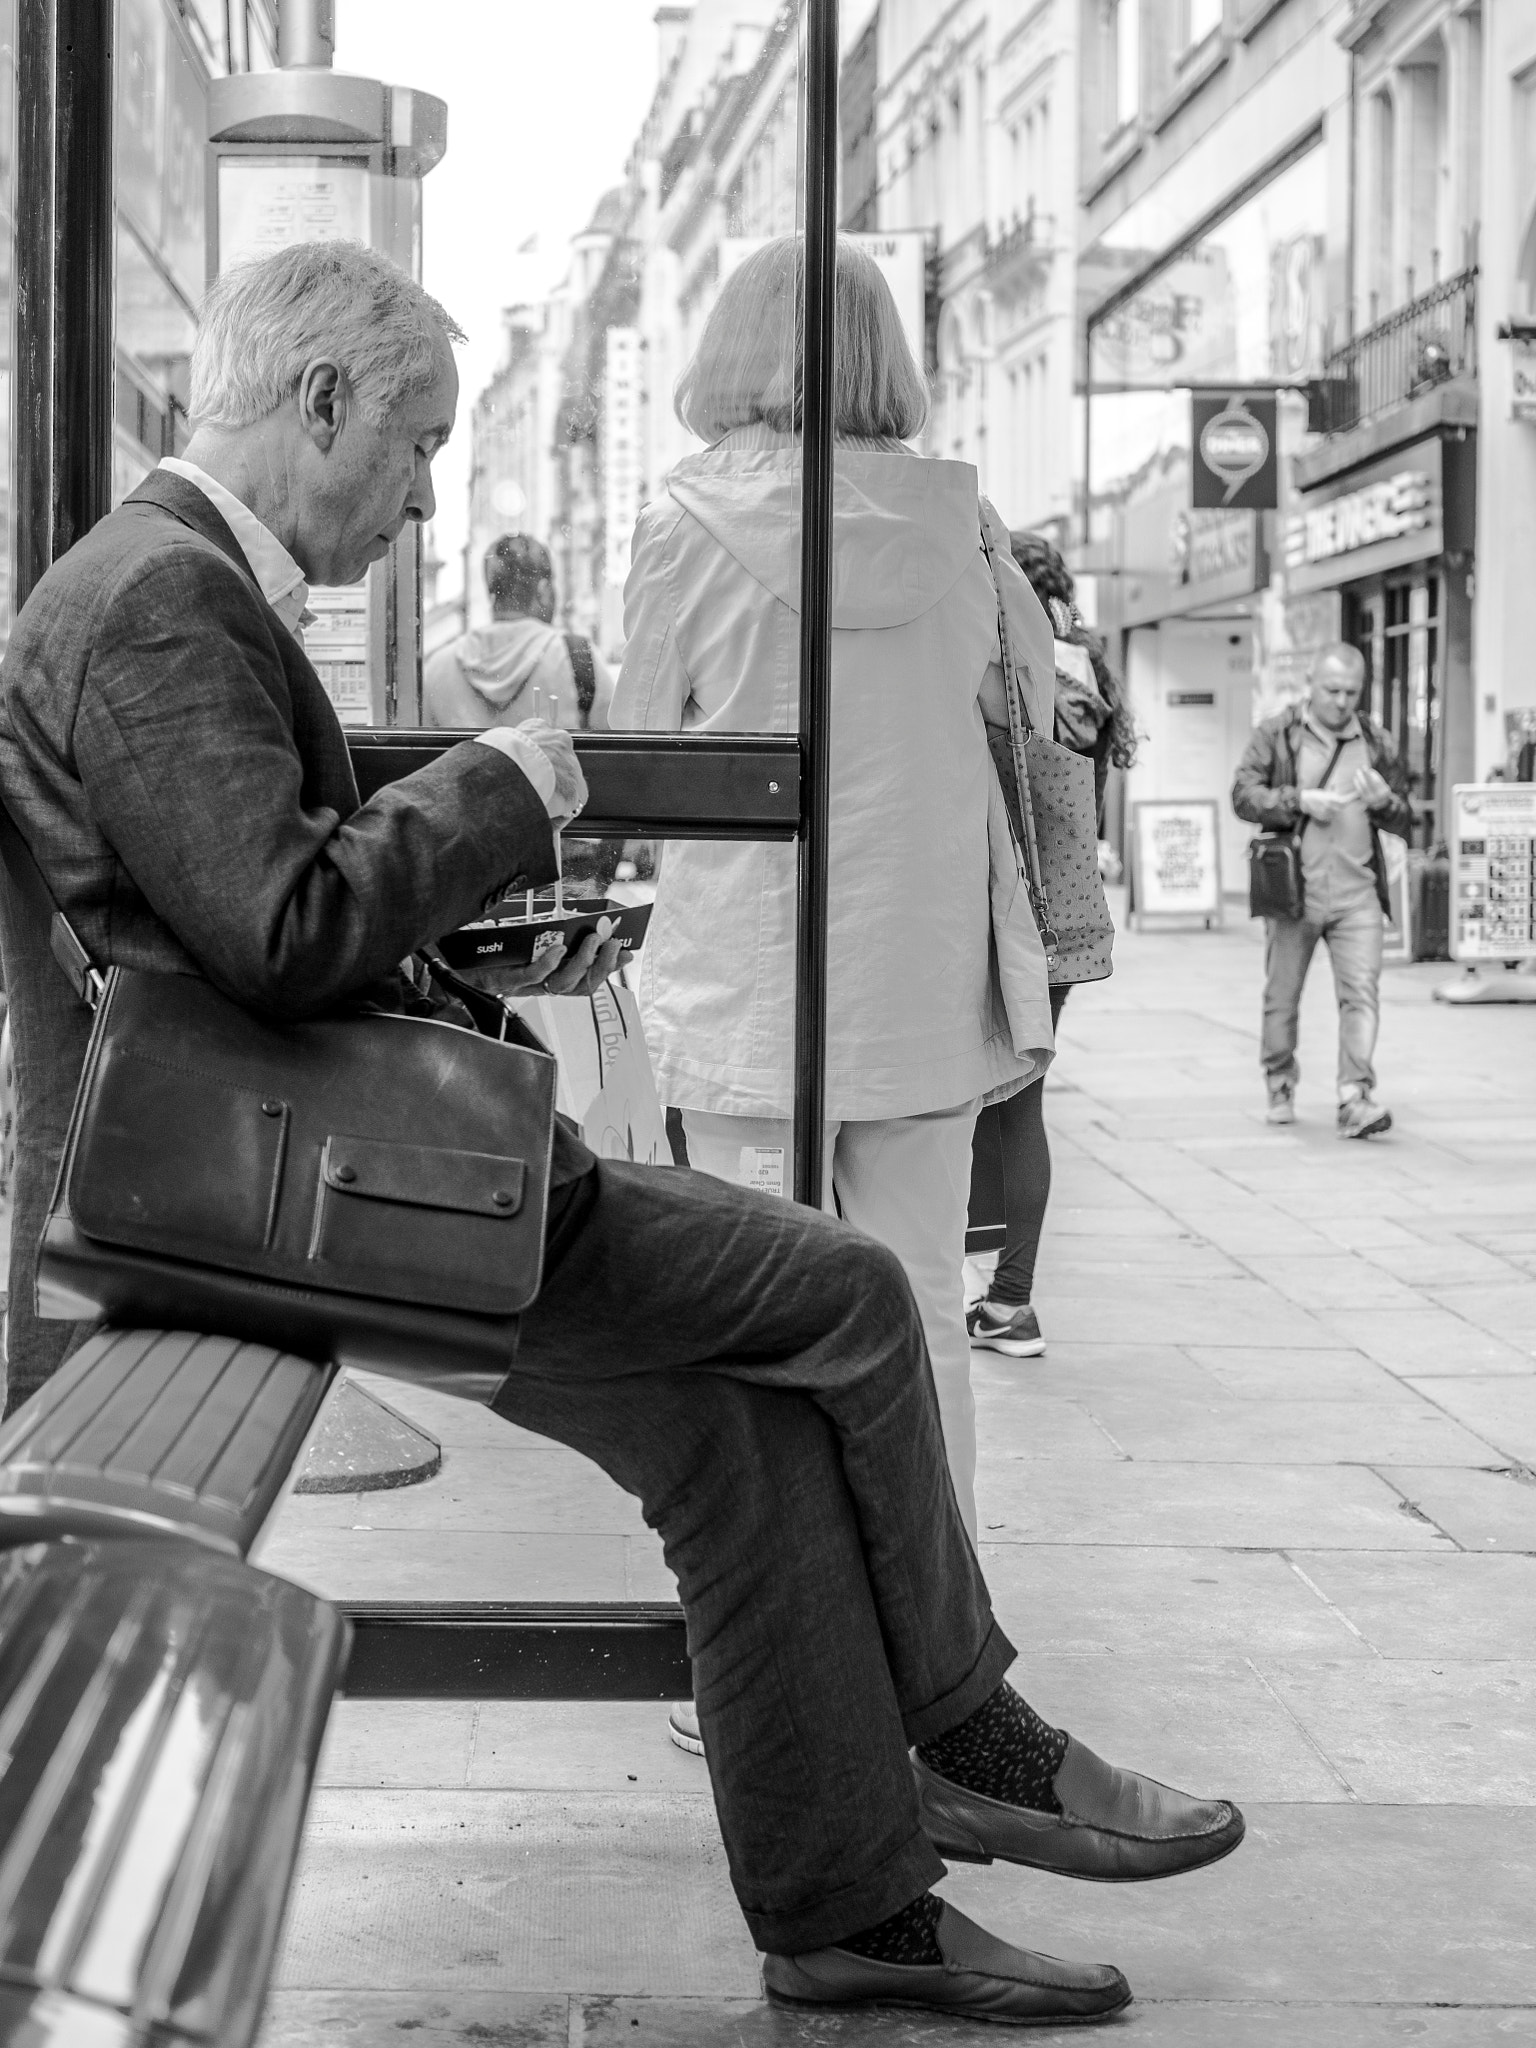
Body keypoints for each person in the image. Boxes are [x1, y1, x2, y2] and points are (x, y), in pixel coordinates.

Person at [0, 239, 1244, 2028]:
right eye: (416, 440)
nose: (426, 489)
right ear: (319, 398)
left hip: (321, 1166)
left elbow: (242, 918)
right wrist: (506, 778)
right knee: (852, 1294)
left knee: (737, 1439)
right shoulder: (160, 600)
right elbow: (279, 930)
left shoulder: (161, 584)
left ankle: (854, 1913)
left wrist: (472, 898)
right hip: (339, 1194)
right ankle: (973, 1730)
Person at [612, 236, 1056, 1548]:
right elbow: (1025, 700)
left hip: (749, 980)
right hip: (919, 971)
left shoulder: (684, 526)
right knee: (922, 1302)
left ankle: (773, 1663)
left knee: (759, 1317)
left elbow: (634, 748)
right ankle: (939, 1643)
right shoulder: (966, 523)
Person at [968, 535, 1137, 1360]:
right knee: (1021, 1100)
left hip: (996, 905)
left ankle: (976, 1288)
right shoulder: (1092, 664)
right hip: (1067, 916)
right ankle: (1009, 1300)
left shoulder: (1009, 661)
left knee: (965, 1098)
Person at [1231, 642, 1412, 1137]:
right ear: (1311, 683)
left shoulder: (1376, 740)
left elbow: (1405, 816)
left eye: (1351, 692)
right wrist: (1298, 800)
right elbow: (1243, 796)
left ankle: (1356, 1095)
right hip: (1296, 894)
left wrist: (1387, 803)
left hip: (1359, 895)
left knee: (1362, 996)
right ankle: (1280, 1080)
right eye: (1332, 690)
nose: (1341, 701)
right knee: (1283, 996)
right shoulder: (1278, 733)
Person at [424, 531, 615, 734]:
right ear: (543, 590)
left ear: (491, 592)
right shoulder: (577, 657)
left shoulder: (439, 666)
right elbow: (612, 744)